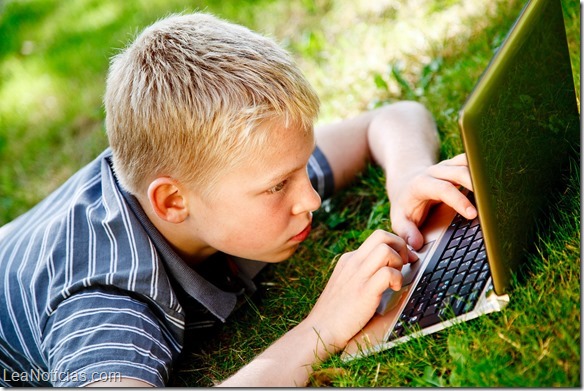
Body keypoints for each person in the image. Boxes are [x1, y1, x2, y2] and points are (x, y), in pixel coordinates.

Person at [0, 12, 476, 387]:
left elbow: (391, 118)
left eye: (302, 169)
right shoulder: (106, 303)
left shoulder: (212, 166)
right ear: (171, 202)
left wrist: (408, 176)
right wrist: (322, 328)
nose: (309, 198)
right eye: (278, 187)